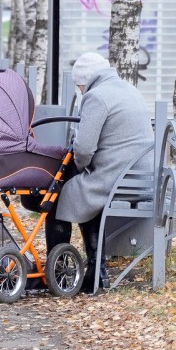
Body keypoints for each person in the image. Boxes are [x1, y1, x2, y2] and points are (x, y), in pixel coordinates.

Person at [48, 52, 154, 291]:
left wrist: (81, 166)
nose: (80, 90)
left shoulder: (96, 96)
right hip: (143, 179)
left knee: (57, 196)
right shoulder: (129, 89)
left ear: (84, 81)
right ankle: (96, 270)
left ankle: (59, 271)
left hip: (117, 179)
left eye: (79, 86)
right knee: (82, 190)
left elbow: (83, 150)